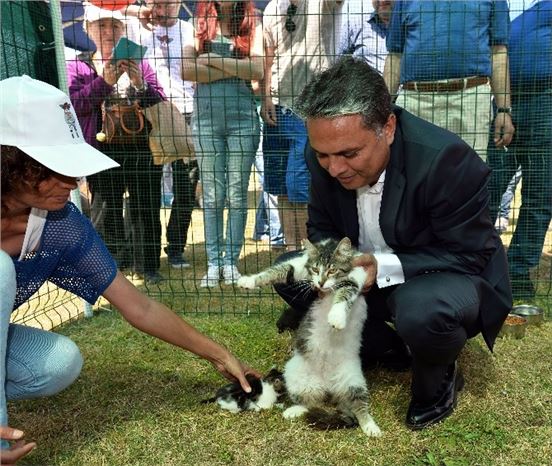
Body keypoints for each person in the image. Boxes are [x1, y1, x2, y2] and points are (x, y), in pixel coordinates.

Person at [0, 75, 258, 464]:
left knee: (58, 363)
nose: (73, 182)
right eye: (54, 167)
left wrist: (219, 355)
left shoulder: (60, 224)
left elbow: (139, 307)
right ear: (10, 162)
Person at [275, 57, 512, 430]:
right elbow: (322, 231)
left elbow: (471, 254)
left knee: (421, 309)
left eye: (349, 154)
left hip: (444, 276)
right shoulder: (325, 152)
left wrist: (381, 268)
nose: (333, 169)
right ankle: (389, 350)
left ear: (387, 127)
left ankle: (439, 376)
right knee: (292, 272)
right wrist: (341, 270)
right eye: (323, 155)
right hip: (365, 276)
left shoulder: (446, 160)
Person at [66, 3, 166, 284]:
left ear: (124, 30)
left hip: (141, 146)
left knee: (145, 206)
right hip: (100, 146)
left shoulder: (140, 63)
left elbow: (159, 100)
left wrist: (140, 84)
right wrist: (105, 81)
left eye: (115, 26)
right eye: (102, 26)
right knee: (105, 207)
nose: (109, 31)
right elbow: (75, 104)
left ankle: (146, 266)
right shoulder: (78, 64)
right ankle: (110, 267)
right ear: (88, 29)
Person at [182, 0, 264, 287]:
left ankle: (230, 262)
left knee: (238, 194)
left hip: (243, 120)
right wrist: (237, 67)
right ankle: (214, 263)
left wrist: (211, 61)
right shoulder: (200, 24)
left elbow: (258, 70)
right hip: (205, 122)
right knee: (213, 195)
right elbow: (186, 70)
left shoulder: (253, 22)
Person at [384, 0, 515, 160]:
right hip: (415, 101)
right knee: (415, 177)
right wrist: (381, 111)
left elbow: (498, 52)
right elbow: (395, 55)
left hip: (470, 99)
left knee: (469, 176)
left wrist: (503, 110)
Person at [261, 0, 343, 252]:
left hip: (312, 109)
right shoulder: (273, 7)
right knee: (281, 186)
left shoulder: (322, 3)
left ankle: (309, 250)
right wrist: (266, 97)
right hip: (277, 106)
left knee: (301, 185)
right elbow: (268, 56)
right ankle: (290, 250)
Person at [126, 0, 200, 269]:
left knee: (186, 187)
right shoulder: (135, 26)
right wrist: (135, 11)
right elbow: (98, 9)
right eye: (157, 2)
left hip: (187, 113)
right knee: (147, 187)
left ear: (179, 4)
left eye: (169, 2)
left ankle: (176, 248)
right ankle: (147, 252)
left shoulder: (191, 29)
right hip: (148, 111)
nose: (163, 7)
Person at [487, 0, 552, 300]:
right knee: (488, 184)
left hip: (546, 102)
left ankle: (517, 270)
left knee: (539, 193)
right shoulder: (518, 9)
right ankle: (477, 259)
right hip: (505, 104)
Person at [339, 0, 393, 72]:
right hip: (363, 81)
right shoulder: (355, 24)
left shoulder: (410, 26)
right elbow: (336, 58)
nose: (382, 0)